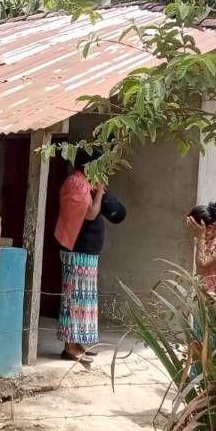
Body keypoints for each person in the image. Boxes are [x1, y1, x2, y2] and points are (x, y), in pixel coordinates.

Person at [53, 150, 125, 362]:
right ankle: (69, 346)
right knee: (75, 298)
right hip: (77, 250)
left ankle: (77, 342)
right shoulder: (76, 183)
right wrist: (101, 192)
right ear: (89, 166)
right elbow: (91, 213)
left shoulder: (84, 183)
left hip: (86, 252)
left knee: (83, 300)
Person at [187, 201, 216, 298]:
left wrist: (200, 236)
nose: (196, 232)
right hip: (207, 294)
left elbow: (201, 267)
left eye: (197, 229)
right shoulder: (209, 236)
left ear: (209, 227)